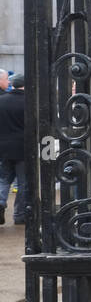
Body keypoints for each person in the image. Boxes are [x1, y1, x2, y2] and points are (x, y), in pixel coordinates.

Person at [0, 73, 28, 226]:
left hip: (3, 148)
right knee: (23, 183)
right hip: (22, 148)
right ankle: (19, 215)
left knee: (3, 179)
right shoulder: (28, 102)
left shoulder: (1, 100)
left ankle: (0, 201)